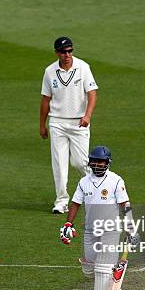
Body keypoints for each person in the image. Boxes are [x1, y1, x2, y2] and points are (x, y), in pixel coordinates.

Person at [59, 146, 133, 290]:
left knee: (101, 269)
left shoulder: (116, 180)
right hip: (90, 230)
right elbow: (76, 203)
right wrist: (68, 224)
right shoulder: (83, 182)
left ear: (107, 162)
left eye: (101, 161)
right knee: (88, 268)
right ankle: (112, 281)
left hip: (110, 229)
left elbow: (124, 204)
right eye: (94, 161)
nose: (97, 164)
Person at [40, 36, 98, 214]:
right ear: (57, 53)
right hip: (57, 122)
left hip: (79, 122)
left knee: (81, 162)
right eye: (64, 52)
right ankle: (61, 201)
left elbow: (92, 93)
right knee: (59, 163)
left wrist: (88, 115)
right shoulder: (50, 71)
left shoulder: (83, 67)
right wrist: (42, 125)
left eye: (70, 51)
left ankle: (94, 193)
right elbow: (45, 99)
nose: (67, 55)